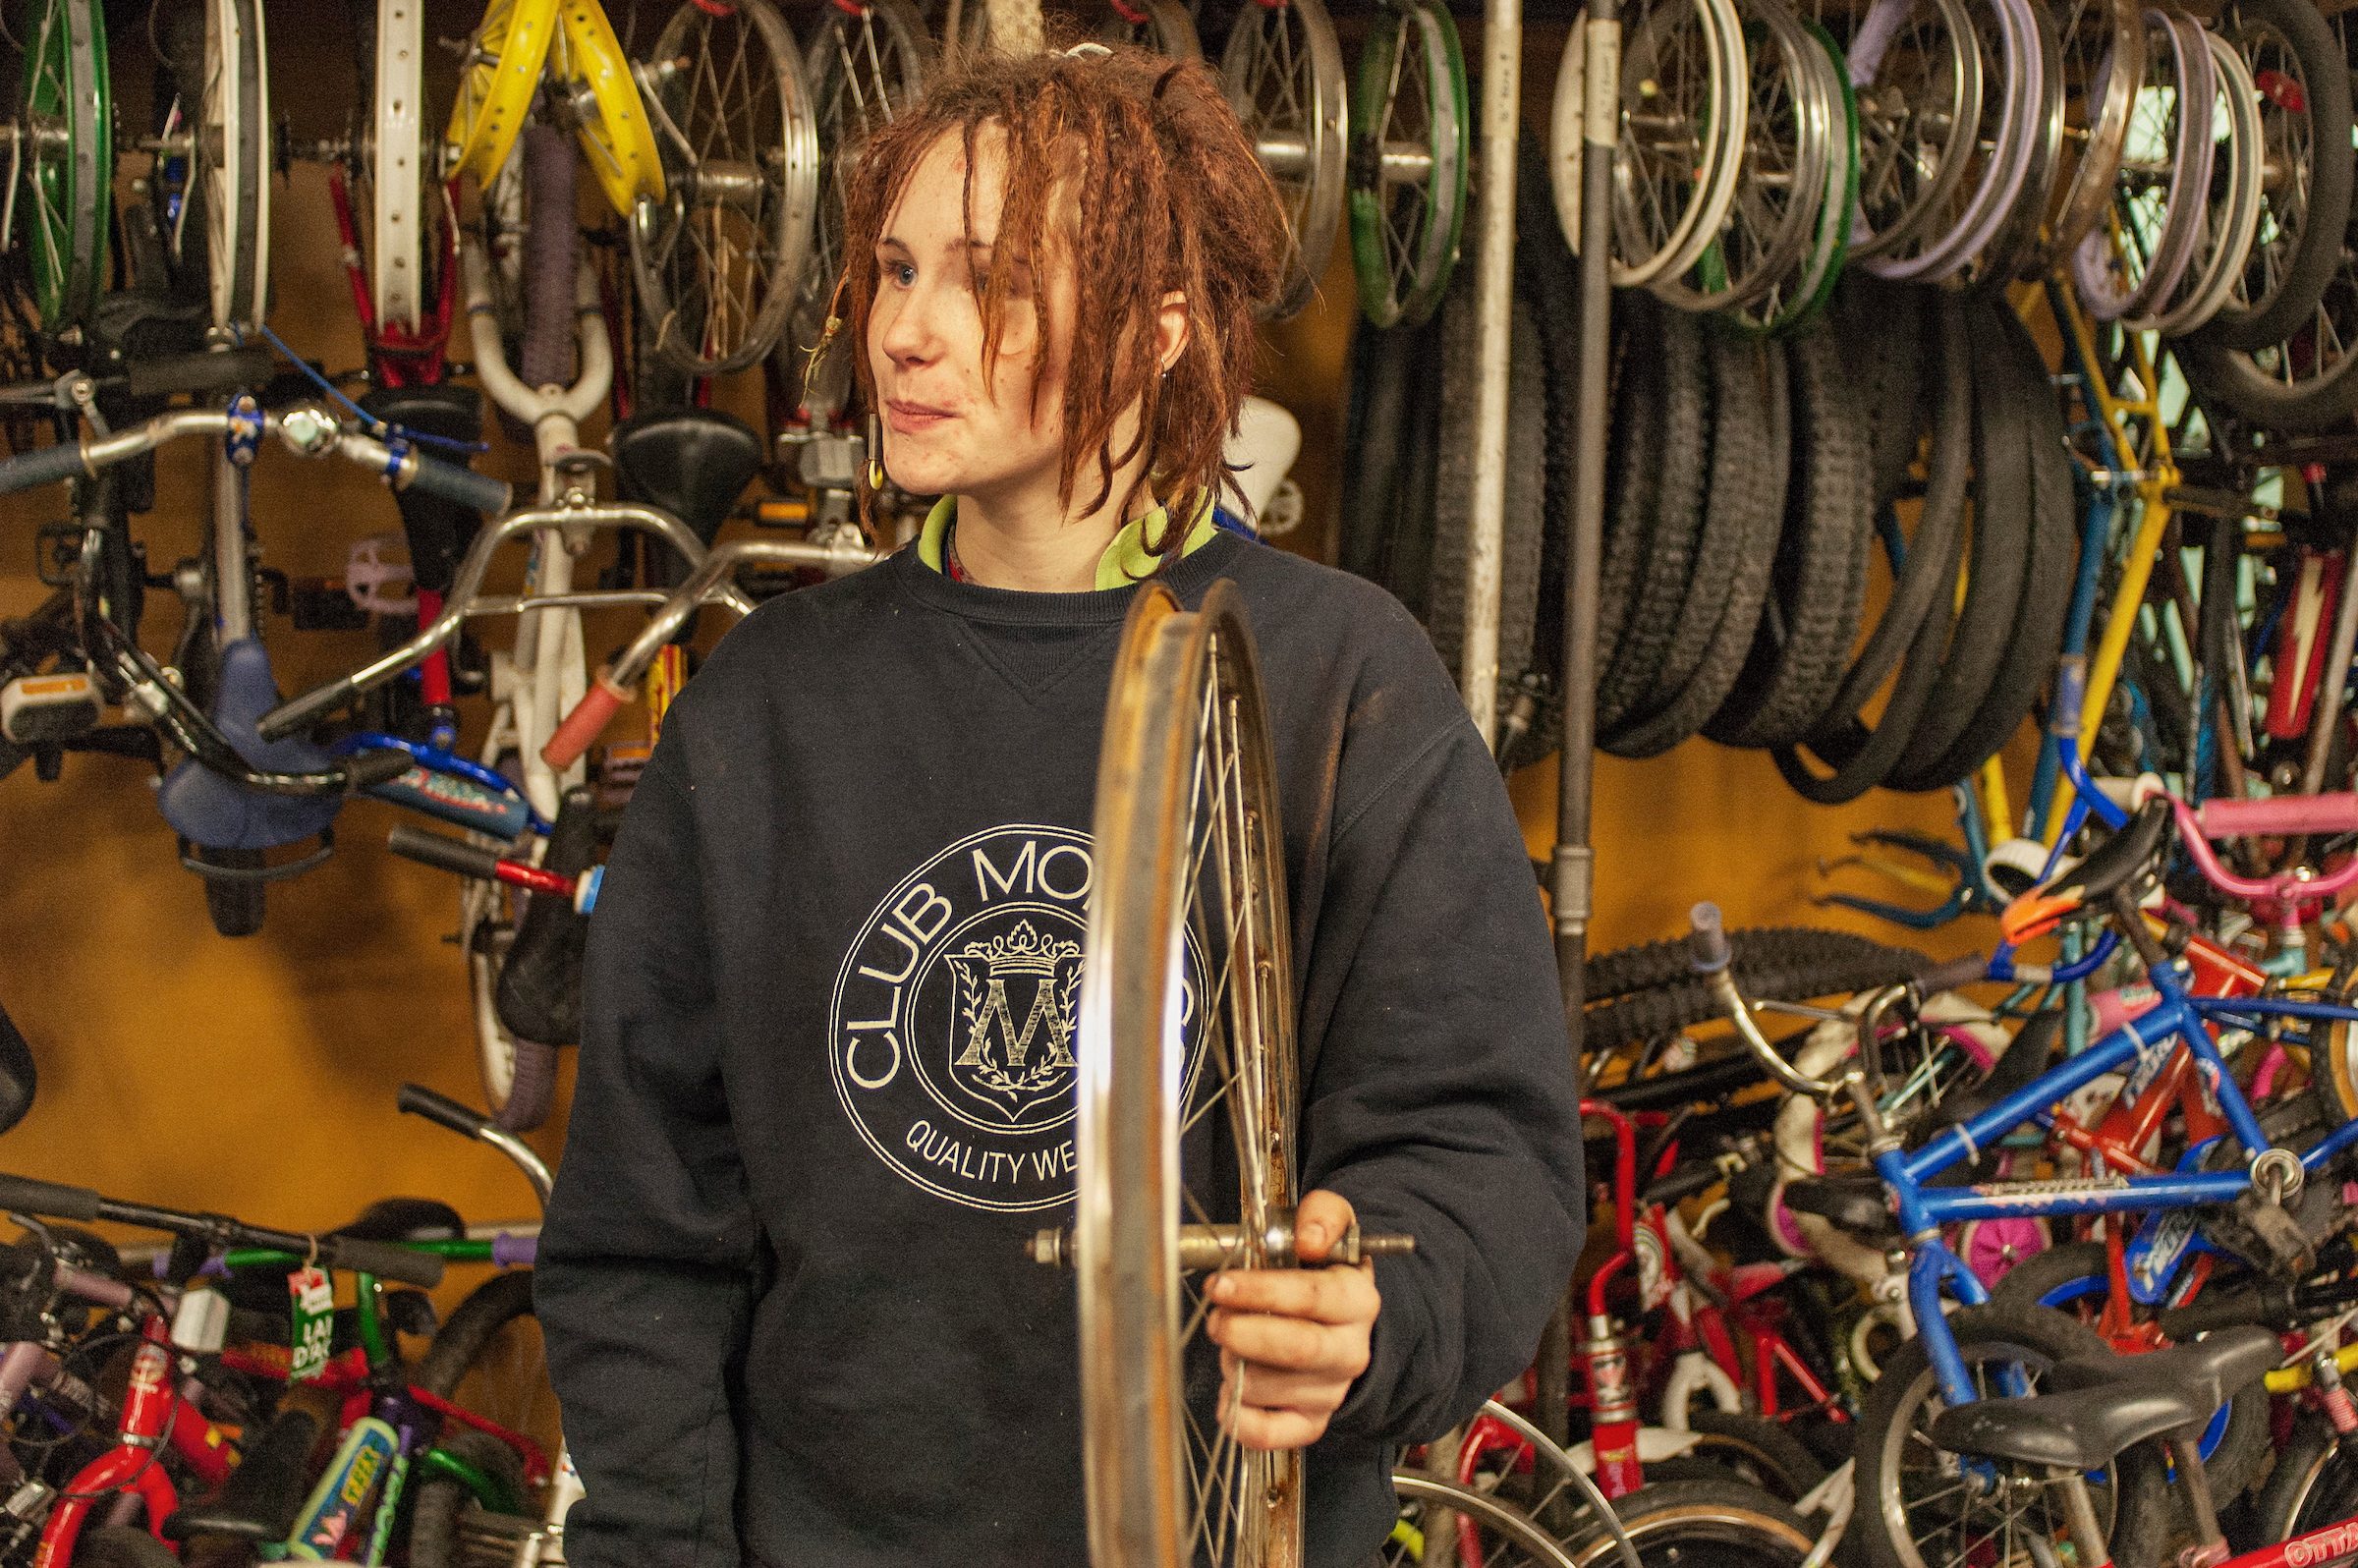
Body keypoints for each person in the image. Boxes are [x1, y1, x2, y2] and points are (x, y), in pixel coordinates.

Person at [533, 37, 1584, 1568]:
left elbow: (1479, 1148)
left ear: (1160, 330)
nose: (904, 330)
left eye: (986, 279)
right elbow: (645, 1231)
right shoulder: (765, 707)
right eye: (892, 270)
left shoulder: (1341, 681)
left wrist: (1373, 1315)